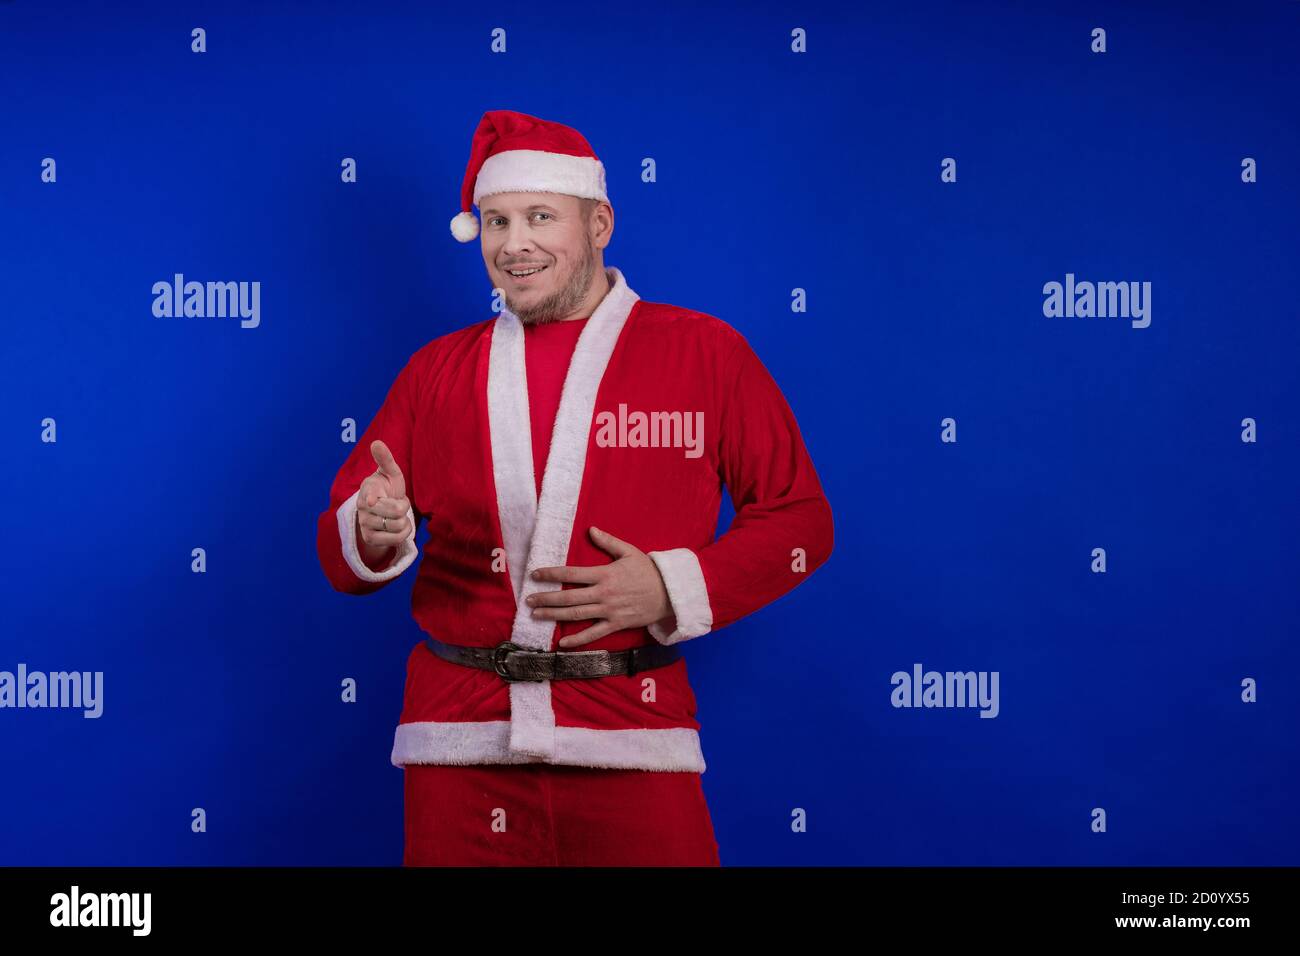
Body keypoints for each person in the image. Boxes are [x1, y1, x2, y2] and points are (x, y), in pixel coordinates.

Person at [315, 109, 834, 866]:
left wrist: (669, 587)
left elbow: (801, 522)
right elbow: (338, 552)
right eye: (494, 222)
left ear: (599, 223)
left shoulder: (705, 352)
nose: (514, 244)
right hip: (458, 747)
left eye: (539, 217)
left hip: (634, 735)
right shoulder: (435, 372)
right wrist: (373, 529)